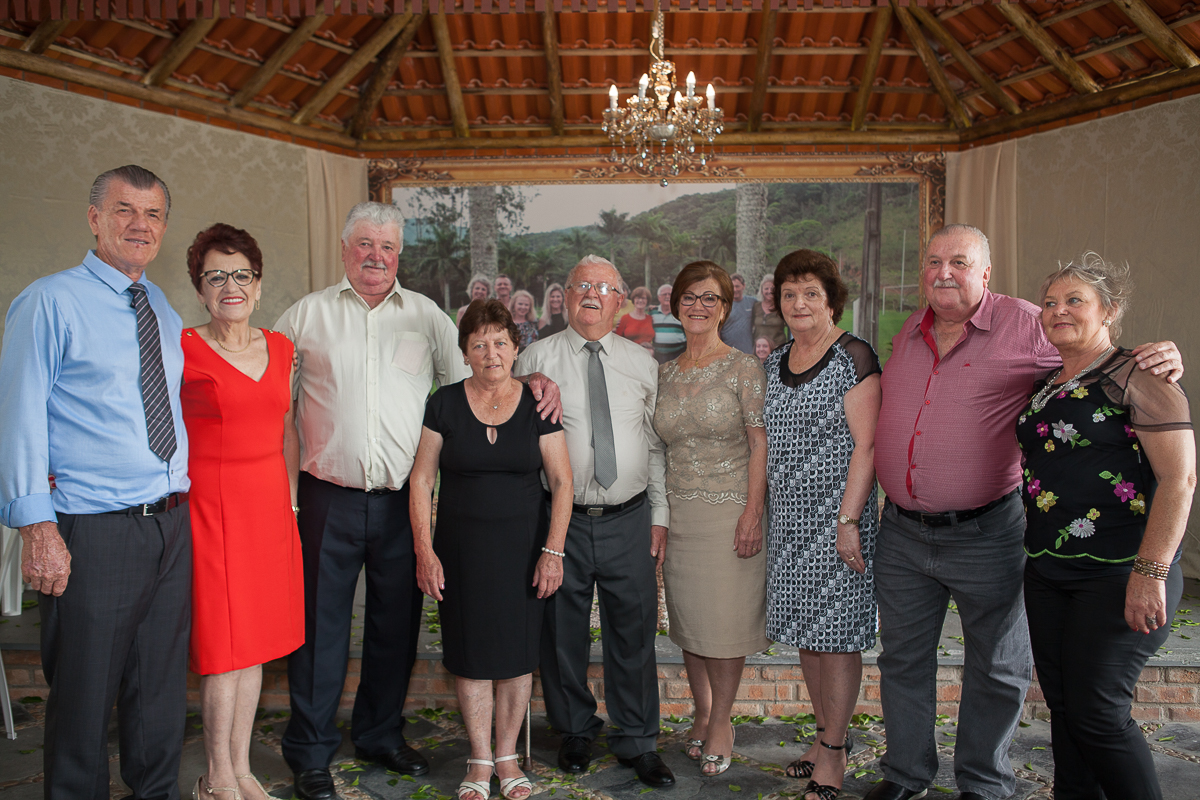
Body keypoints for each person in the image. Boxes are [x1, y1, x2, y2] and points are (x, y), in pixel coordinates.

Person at [868, 224, 1182, 800]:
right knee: (902, 661)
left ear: (985, 272)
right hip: (906, 533)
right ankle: (906, 774)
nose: (944, 273)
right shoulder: (907, 332)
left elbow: (1100, 359)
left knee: (999, 668)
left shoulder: (1026, 324)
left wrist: (1156, 353)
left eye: (959, 262)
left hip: (990, 531)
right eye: (934, 261)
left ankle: (984, 784)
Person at [275, 201, 562, 800]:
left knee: (394, 627)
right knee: (320, 628)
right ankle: (311, 752)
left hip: (403, 503)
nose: (377, 257)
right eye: (365, 245)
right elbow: (274, 401)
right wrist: (286, 495)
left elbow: (484, 368)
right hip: (328, 496)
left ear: (398, 254)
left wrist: (536, 377)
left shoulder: (428, 317)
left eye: (388, 247)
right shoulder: (307, 316)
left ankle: (379, 734)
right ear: (346, 248)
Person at [0, 165, 191, 799]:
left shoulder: (160, 306)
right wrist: (37, 526)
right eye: (124, 210)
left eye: (153, 214)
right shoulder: (48, 301)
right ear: (94, 218)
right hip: (93, 530)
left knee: (159, 693)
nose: (140, 224)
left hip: (168, 522)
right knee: (84, 700)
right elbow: (19, 415)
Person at [1018, 253, 1193, 800]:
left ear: (1110, 310)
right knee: (1066, 708)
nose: (1058, 310)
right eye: (1049, 302)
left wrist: (1150, 572)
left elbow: (1180, 480)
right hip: (1047, 569)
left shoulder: (1141, 376)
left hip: (1119, 572)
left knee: (1098, 715)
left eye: (1075, 300)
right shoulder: (1047, 380)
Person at [516, 255, 675, 790]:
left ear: (620, 299)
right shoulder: (534, 358)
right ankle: (575, 730)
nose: (591, 294)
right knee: (562, 634)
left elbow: (655, 448)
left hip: (629, 518)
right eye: (582, 284)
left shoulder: (641, 363)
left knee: (633, 631)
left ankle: (637, 739)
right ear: (564, 294)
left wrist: (660, 516)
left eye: (603, 287)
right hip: (559, 519)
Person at [410, 299, 573, 800]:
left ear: (515, 347)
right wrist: (424, 549)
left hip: (524, 554)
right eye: (478, 343)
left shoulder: (538, 405)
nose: (490, 351)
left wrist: (554, 551)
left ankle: (507, 755)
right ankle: (479, 757)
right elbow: (421, 479)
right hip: (459, 553)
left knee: (517, 658)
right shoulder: (443, 403)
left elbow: (563, 482)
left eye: (499, 341)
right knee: (471, 656)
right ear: (464, 353)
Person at [182, 223, 304, 800]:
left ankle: (243, 768)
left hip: (268, 509)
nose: (230, 285)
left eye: (241, 274)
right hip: (210, 508)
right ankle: (216, 776)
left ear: (257, 286)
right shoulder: (179, 347)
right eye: (215, 276)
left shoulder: (282, 349)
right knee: (222, 648)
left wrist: (291, 500)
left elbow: (286, 430)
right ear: (201, 289)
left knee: (254, 643)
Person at [762, 250, 881, 800]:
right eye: (789, 294)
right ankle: (822, 736)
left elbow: (868, 445)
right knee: (809, 638)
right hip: (789, 526)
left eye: (811, 292)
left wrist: (849, 520)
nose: (799, 303)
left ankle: (833, 754)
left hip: (838, 522)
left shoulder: (853, 356)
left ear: (832, 299)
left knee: (836, 639)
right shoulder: (774, 361)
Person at [653, 261, 768, 777]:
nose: (697, 306)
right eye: (689, 297)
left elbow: (760, 444)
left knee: (723, 626)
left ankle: (722, 720)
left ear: (725, 307)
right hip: (679, 516)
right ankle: (701, 713)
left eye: (709, 298)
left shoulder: (743, 368)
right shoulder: (666, 370)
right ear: (674, 305)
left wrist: (752, 512)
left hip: (729, 515)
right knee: (691, 625)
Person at [720, 272, 757, 354]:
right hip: (728, 352)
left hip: (747, 352)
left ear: (743, 286)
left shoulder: (752, 302)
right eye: (732, 287)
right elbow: (717, 329)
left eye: (737, 286)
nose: (735, 290)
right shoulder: (723, 305)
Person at [651, 283, 686, 364]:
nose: (667, 296)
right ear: (659, 297)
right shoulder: (652, 313)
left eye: (670, 294)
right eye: (664, 294)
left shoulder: (681, 312)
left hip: (679, 354)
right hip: (658, 355)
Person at [752, 275, 788, 350]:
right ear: (762, 291)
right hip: (760, 349)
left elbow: (791, 328)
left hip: (777, 348)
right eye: (766, 288)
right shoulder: (756, 306)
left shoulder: (782, 307)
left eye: (773, 289)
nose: (769, 291)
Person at [615, 286, 655, 350]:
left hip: (648, 355)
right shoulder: (625, 318)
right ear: (633, 300)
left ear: (647, 300)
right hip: (629, 353)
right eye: (638, 298)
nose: (640, 300)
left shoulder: (650, 319)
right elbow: (618, 340)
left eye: (643, 298)